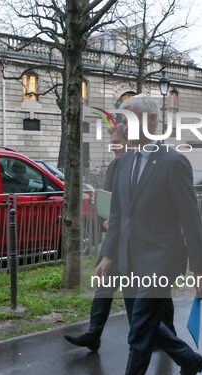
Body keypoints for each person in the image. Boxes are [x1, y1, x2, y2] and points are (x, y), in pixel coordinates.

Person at [96, 94, 202, 375]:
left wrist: (200, 268)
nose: (122, 124)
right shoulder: (123, 163)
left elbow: (190, 219)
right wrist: (108, 255)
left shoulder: (174, 162)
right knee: (143, 324)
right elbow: (118, 214)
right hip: (128, 259)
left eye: (128, 117)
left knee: (139, 335)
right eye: (122, 118)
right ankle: (190, 360)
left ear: (152, 121)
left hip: (161, 260)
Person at [63, 124, 128, 351]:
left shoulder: (138, 168)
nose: (114, 148)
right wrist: (105, 218)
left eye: (118, 143)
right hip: (114, 236)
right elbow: (110, 202)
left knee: (142, 298)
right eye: (112, 144)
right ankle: (94, 334)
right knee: (105, 286)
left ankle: (167, 339)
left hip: (132, 240)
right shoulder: (113, 167)